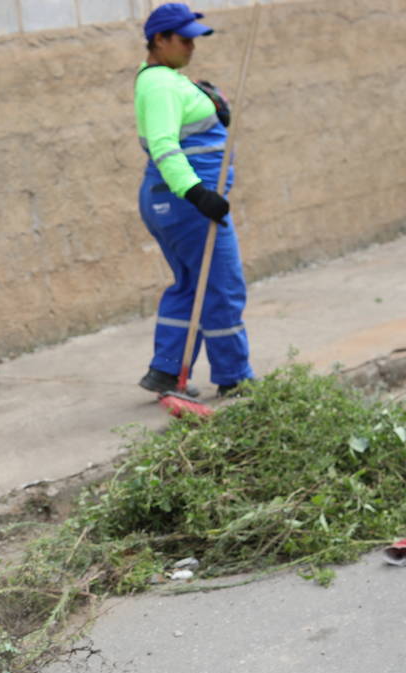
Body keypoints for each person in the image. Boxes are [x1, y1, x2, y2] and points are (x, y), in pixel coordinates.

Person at [134, 3, 255, 398]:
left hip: (171, 201)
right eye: (184, 40)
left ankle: (166, 371)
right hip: (186, 204)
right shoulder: (161, 85)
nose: (191, 47)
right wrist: (198, 194)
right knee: (223, 287)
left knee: (190, 285)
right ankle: (235, 378)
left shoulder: (164, 79)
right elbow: (164, 147)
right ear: (159, 40)